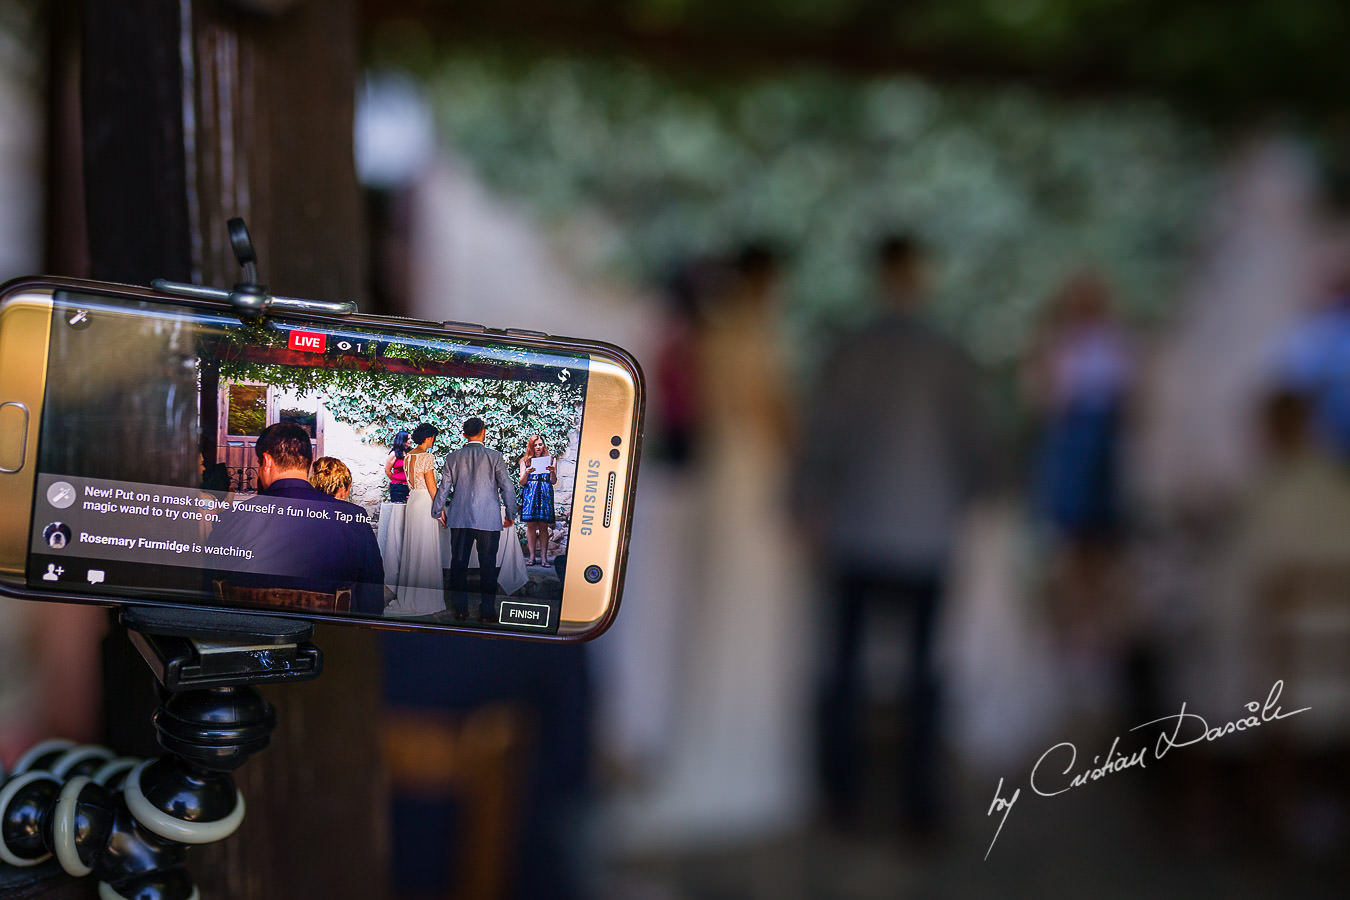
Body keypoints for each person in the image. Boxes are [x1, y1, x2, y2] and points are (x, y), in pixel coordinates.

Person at [796, 233, 991, 836]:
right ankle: (919, 804)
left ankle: (843, 798)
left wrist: (807, 502)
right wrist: (960, 500)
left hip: (858, 530)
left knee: (847, 667)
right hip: (927, 533)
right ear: (920, 275)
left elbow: (820, 437)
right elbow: (977, 444)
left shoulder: (849, 349)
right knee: (923, 672)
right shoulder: (949, 352)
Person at [206, 423, 384, 614]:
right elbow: (372, 602)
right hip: (331, 638)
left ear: (266, 461)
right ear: (309, 461)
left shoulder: (229, 519)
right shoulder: (353, 518)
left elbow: (208, 593)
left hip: (249, 636)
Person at [429, 417, 518, 623]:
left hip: (460, 518)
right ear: (483, 431)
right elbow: (507, 486)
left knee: (458, 564)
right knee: (488, 565)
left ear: (464, 435)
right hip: (488, 519)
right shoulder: (495, 456)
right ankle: (487, 611)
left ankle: (460, 610)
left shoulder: (452, 457)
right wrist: (511, 513)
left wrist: (437, 511)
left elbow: (444, 487)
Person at [386, 423, 446, 617]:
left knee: (413, 547)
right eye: (433, 438)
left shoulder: (409, 455)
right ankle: (425, 598)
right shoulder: (426, 457)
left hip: (413, 501)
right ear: (429, 437)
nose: (434, 441)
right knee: (426, 547)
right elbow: (432, 486)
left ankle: (410, 594)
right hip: (425, 502)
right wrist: (441, 508)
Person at [518, 434, 558, 566]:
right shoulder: (524, 461)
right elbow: (522, 482)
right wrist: (527, 473)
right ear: (531, 446)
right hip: (530, 493)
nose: (538, 447)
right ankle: (531, 557)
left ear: (543, 445)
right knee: (531, 525)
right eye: (535, 445)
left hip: (545, 493)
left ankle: (544, 558)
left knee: (543, 526)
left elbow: (553, 481)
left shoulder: (551, 459)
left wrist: (552, 471)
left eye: (540, 444)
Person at [384, 429, 412, 503]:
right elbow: (387, 470)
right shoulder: (394, 454)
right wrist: (396, 480)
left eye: (410, 438)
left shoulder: (410, 453)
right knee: (398, 511)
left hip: (409, 487)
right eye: (408, 439)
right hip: (397, 488)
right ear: (402, 439)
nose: (411, 440)